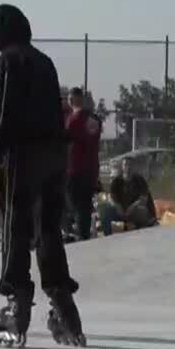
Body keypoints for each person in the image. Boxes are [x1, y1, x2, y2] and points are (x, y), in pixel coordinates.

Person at [0, 3, 85, 348]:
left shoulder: (8, 62)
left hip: (22, 157)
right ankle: (64, 308)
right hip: (55, 156)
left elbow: (2, 114)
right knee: (48, 231)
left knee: (14, 227)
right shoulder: (45, 61)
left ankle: (17, 304)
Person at [65, 87, 102, 241]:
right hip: (92, 169)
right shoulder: (94, 119)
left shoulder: (72, 120)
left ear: (71, 100)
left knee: (77, 206)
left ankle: (81, 236)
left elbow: (66, 144)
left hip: (75, 170)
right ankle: (84, 234)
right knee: (85, 205)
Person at [98, 157, 158, 236]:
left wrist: (132, 207)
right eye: (125, 165)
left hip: (134, 211)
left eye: (130, 165)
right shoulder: (117, 181)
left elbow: (144, 199)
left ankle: (141, 232)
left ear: (134, 167)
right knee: (104, 209)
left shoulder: (140, 180)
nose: (128, 167)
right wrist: (118, 206)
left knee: (143, 211)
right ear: (122, 167)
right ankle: (108, 236)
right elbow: (111, 197)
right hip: (120, 211)